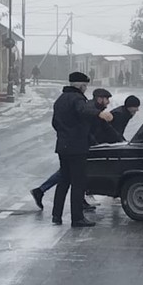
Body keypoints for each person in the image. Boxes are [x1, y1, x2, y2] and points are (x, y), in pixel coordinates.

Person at [31, 88, 115, 210]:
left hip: (77, 144)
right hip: (79, 145)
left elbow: (107, 128)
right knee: (72, 175)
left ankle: (50, 199)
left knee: (70, 174)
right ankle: (44, 193)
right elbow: (86, 129)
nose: (108, 102)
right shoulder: (89, 108)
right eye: (107, 99)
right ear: (100, 98)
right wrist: (94, 144)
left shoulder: (93, 108)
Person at [50, 72, 112, 227]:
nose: (86, 89)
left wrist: (64, 134)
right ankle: (77, 218)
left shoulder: (60, 100)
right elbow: (83, 112)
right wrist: (100, 114)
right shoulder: (77, 99)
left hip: (63, 146)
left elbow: (55, 123)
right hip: (76, 147)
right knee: (78, 182)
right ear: (81, 86)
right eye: (85, 86)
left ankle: (56, 215)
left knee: (63, 181)